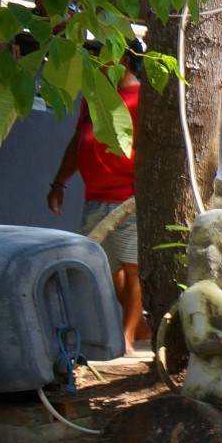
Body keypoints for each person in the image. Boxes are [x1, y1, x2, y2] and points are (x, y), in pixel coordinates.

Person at [48, 63, 144, 351]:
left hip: (128, 198)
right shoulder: (92, 96)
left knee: (133, 268)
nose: (95, 65)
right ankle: (140, 327)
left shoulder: (143, 99)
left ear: (123, 60)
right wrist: (59, 183)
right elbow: (79, 142)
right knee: (102, 267)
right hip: (95, 197)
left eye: (102, 58)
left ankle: (126, 337)